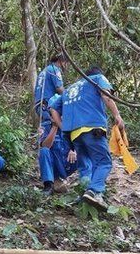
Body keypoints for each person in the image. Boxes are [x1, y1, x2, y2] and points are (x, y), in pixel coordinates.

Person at [49, 66, 125, 210]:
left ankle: (85, 197)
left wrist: (62, 125)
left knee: (86, 165)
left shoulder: (70, 89)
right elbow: (106, 96)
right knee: (103, 162)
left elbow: (53, 108)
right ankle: (94, 191)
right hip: (92, 128)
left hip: (74, 134)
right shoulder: (97, 79)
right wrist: (117, 115)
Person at [39, 94, 89, 195]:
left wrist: (73, 149)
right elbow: (45, 146)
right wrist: (54, 127)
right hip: (55, 164)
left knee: (85, 152)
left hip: (68, 162)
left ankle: (87, 185)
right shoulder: (45, 126)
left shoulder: (72, 125)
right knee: (44, 151)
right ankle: (49, 185)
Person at [34, 54, 67, 124]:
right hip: (47, 105)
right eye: (65, 63)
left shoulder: (44, 71)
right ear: (61, 61)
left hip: (39, 105)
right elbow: (59, 88)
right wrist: (69, 97)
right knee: (52, 128)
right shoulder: (55, 69)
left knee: (45, 128)